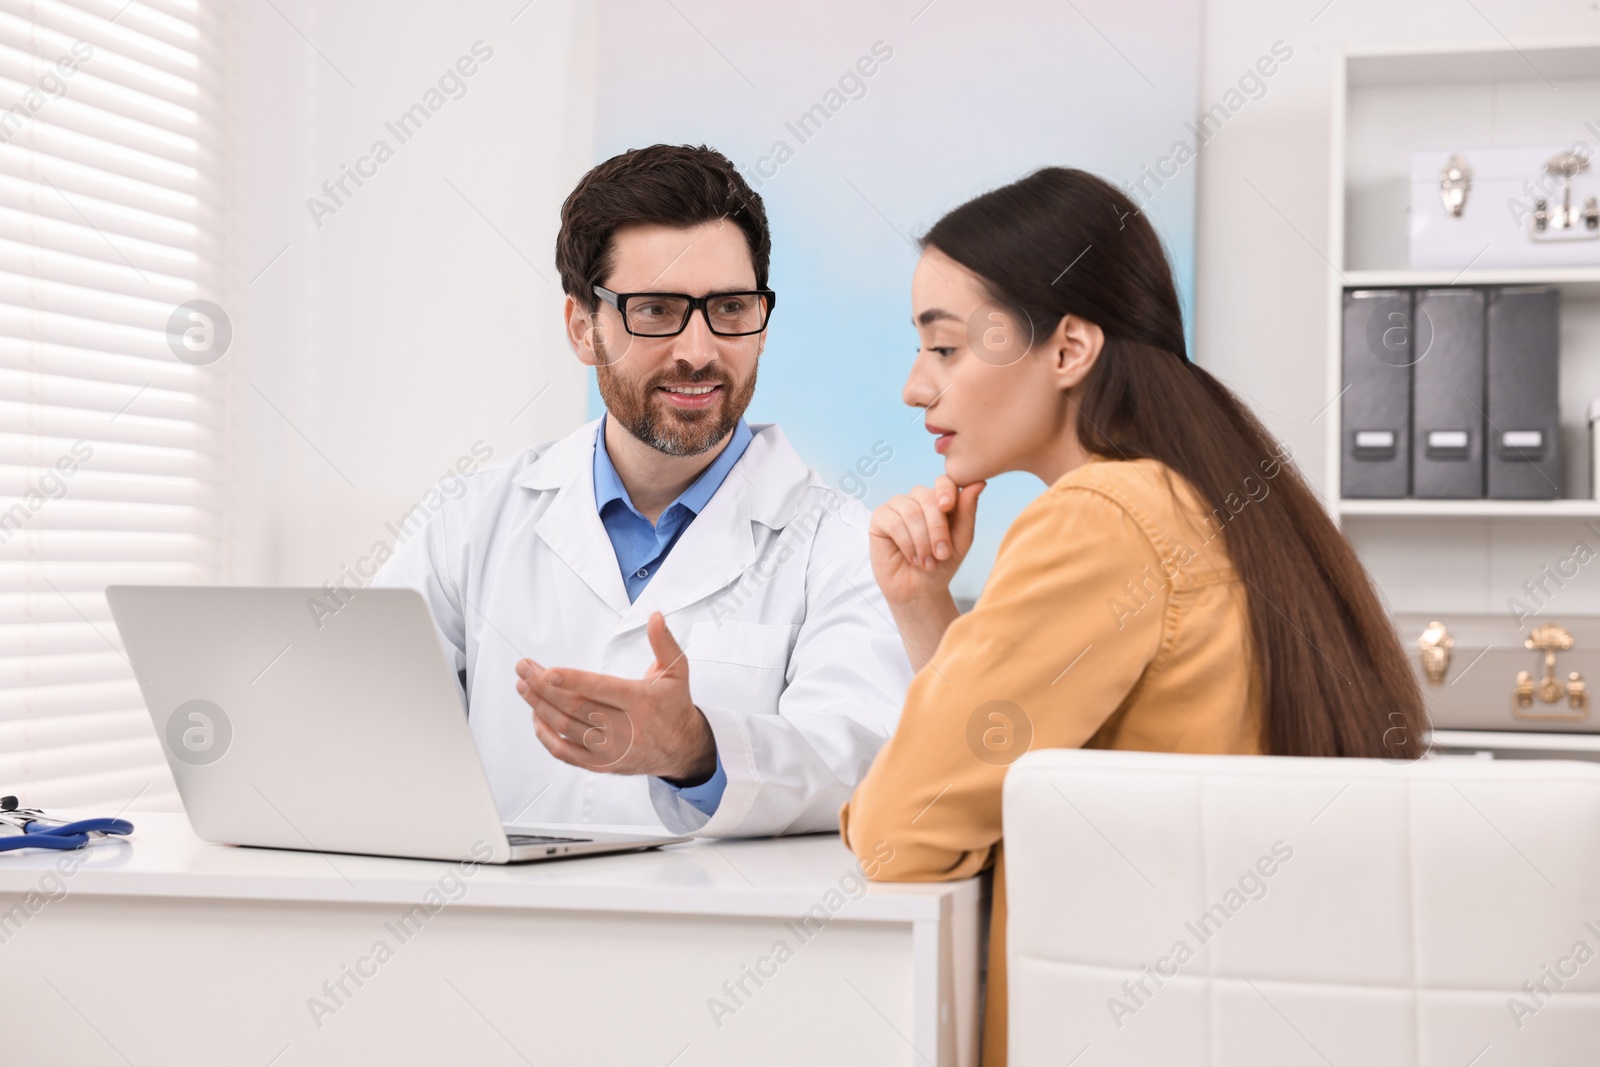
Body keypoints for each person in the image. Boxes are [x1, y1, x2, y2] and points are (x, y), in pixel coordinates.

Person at [839, 167, 1426, 1066]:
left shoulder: (1099, 519)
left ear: (1069, 350)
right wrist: (923, 603)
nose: (918, 388)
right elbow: (1006, 756)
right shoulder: (1206, 498)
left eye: (947, 348)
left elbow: (900, 827)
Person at [376, 144, 911, 837]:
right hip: (492, 935)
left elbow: (863, 760)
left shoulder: (842, 548)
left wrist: (696, 750)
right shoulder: (466, 522)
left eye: (729, 307)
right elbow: (365, 726)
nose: (698, 348)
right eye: (656, 310)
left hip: (714, 941)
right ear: (582, 328)